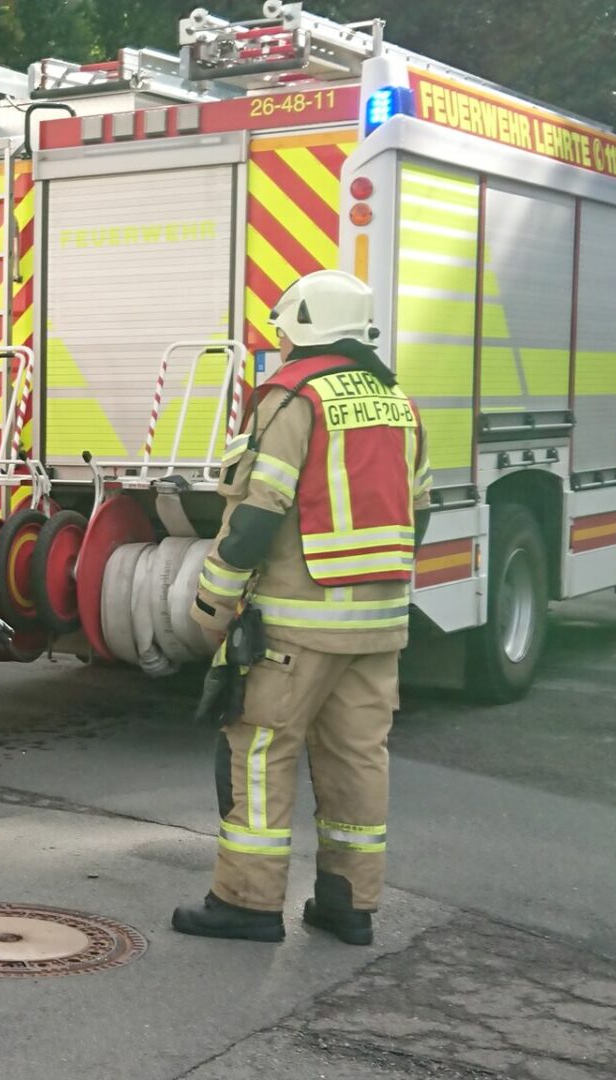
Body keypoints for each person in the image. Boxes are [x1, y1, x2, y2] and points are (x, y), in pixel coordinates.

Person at [175, 269, 431, 946]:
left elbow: (259, 513)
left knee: (258, 751)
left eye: (284, 328)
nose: (279, 340)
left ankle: (249, 904)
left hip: (297, 620)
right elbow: (420, 511)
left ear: (306, 328)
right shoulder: (396, 400)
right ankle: (349, 903)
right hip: (380, 624)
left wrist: (214, 603)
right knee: (357, 759)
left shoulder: (293, 399)